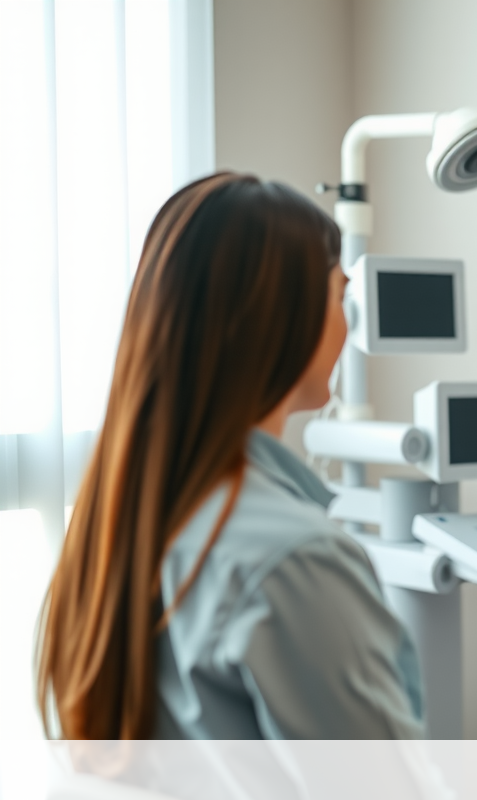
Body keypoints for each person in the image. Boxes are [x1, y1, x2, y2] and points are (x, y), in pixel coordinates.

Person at [36, 173, 424, 739]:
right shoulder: (295, 558)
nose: (346, 322)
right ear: (282, 317)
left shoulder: (122, 521)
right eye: (338, 295)